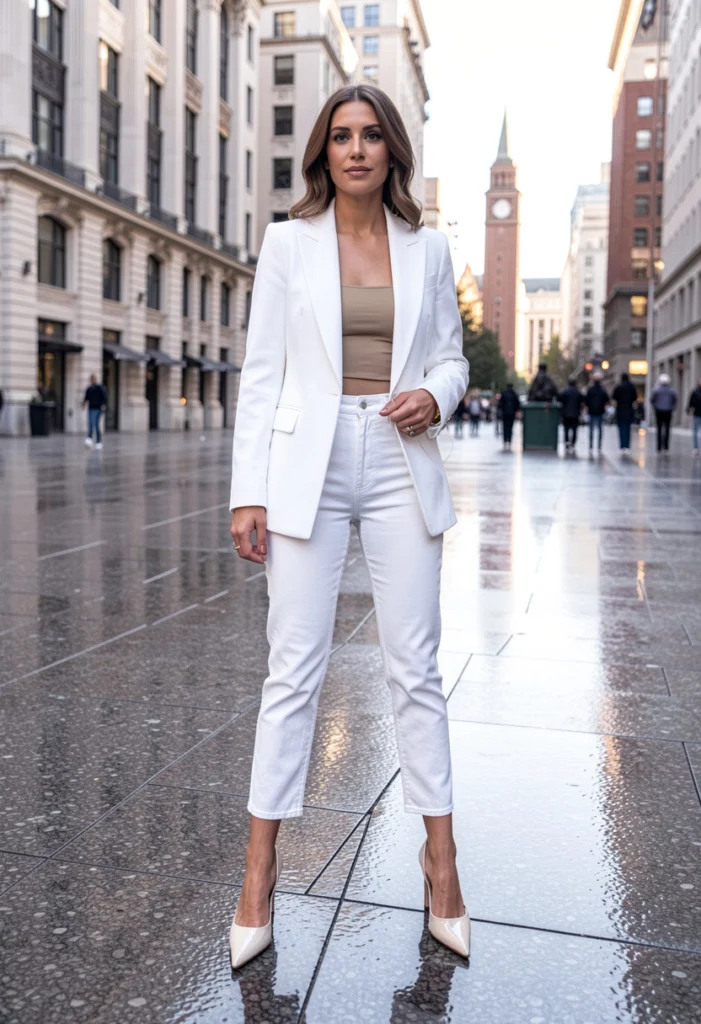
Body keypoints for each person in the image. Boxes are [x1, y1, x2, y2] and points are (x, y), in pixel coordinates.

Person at [228, 84, 470, 969]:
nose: (356, 149)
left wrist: (434, 394)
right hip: (310, 460)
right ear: (323, 153)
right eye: (341, 136)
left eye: (370, 135)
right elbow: (262, 372)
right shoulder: (287, 243)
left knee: (416, 668)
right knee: (292, 670)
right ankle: (259, 874)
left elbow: (451, 357)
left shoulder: (427, 248)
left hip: (399, 455)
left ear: (391, 150)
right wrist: (246, 491)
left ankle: (441, 864)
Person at [650, 373, 678, 454]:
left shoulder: (656, 389)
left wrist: (655, 406)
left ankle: (659, 447)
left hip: (659, 411)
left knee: (659, 429)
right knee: (667, 428)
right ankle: (666, 446)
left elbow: (652, 399)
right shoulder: (671, 390)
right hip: (668, 411)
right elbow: (675, 399)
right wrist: (672, 407)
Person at [612, 373, 638, 453]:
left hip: (620, 410)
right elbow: (635, 397)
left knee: (621, 428)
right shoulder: (631, 387)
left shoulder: (618, 387)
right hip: (629, 409)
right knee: (627, 428)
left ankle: (622, 445)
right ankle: (627, 446)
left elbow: (614, 397)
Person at [585, 372, 610, 454]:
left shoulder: (590, 390)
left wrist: (587, 408)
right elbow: (607, 400)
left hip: (592, 412)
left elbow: (586, 401)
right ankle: (599, 447)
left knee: (591, 430)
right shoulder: (603, 390)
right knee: (600, 430)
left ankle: (591, 446)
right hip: (600, 412)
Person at [559, 377, 584, 454]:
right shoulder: (578, 392)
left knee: (566, 429)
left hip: (566, 414)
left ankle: (567, 442)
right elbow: (582, 400)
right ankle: (573, 443)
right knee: (574, 430)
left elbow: (559, 398)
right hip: (575, 414)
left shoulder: (564, 391)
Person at [82, 374, 107, 449]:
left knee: (95, 424)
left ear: (95, 379)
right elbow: (86, 398)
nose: (92, 380)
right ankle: (90, 439)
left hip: (98, 409)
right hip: (91, 408)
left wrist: (103, 404)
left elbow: (104, 396)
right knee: (90, 423)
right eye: (91, 379)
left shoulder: (100, 388)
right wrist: (84, 405)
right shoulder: (89, 389)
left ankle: (98, 441)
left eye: (93, 379)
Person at [498, 382, 520, 451]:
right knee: (510, 428)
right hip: (512, 413)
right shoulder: (514, 394)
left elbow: (500, 404)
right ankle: (509, 441)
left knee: (505, 428)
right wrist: (516, 411)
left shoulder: (504, 394)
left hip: (505, 413)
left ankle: (505, 441)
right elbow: (518, 404)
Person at [687, 376, 701, 455]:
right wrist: (689, 410)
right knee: (695, 431)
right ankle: (696, 448)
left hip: (697, 413)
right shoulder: (695, 392)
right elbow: (691, 402)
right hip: (697, 414)